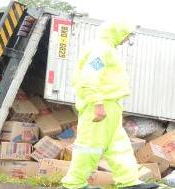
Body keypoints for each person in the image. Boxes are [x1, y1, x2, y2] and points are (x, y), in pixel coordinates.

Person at [60, 22, 159, 189]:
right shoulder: (101, 50)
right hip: (100, 106)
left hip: (110, 106)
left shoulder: (106, 49)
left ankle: (129, 182)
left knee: (119, 146)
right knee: (89, 147)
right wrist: (97, 103)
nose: (127, 39)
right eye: (126, 35)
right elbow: (88, 78)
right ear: (117, 31)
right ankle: (73, 184)